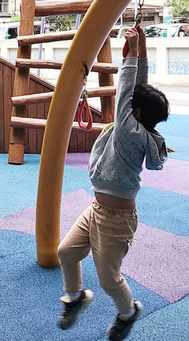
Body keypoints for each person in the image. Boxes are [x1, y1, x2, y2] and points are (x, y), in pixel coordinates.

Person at [56, 26, 169, 341]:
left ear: (135, 113)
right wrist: (140, 45)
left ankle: (128, 312)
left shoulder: (129, 131)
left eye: (130, 106)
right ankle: (75, 297)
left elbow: (127, 87)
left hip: (116, 220)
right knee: (66, 252)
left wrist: (130, 55)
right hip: (96, 209)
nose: (125, 106)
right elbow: (138, 89)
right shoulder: (136, 123)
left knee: (108, 279)